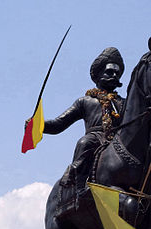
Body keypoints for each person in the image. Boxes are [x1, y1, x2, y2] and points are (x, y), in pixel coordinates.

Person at [43, 47, 125, 214]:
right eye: (110, 71)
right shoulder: (85, 101)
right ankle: (80, 188)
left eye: (117, 72)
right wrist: (39, 125)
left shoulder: (124, 103)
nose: (114, 75)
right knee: (84, 142)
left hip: (119, 141)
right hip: (95, 137)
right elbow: (60, 123)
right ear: (98, 74)